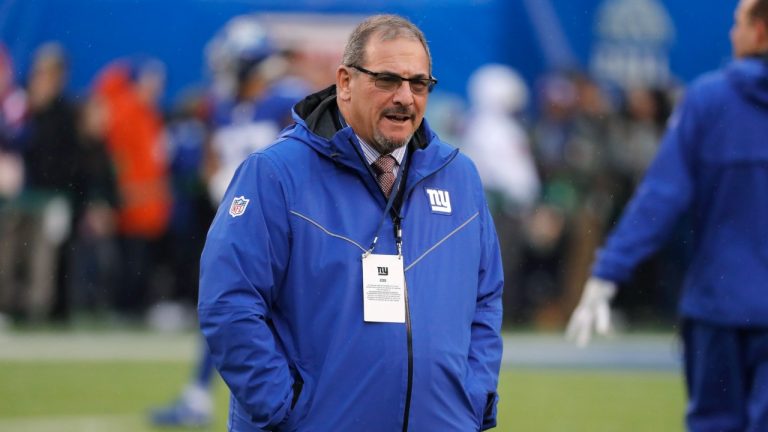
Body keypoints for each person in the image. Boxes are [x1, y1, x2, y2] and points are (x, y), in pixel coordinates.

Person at [198, 14, 504, 432]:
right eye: (387, 80)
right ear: (344, 81)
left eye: (419, 84)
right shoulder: (275, 174)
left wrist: (471, 399)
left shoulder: (458, 176)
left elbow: (485, 299)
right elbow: (228, 301)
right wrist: (283, 408)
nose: (405, 97)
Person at [566, 0, 768, 430]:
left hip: (721, 306)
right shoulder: (710, 99)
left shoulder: (711, 101)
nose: (733, 34)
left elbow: (661, 196)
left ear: (761, 32)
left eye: (739, 23)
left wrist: (608, 271)